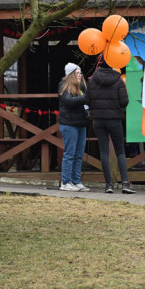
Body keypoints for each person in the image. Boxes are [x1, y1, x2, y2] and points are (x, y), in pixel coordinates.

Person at [86, 61, 134, 194]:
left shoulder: (92, 81)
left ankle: (108, 185)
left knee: (104, 151)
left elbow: (87, 100)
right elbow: (125, 101)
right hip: (114, 119)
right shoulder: (118, 80)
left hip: (98, 120)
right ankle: (125, 183)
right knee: (120, 151)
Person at [58, 63, 90, 192]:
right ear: (71, 75)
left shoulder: (82, 87)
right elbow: (69, 101)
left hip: (81, 123)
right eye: (77, 73)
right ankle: (66, 182)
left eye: (80, 73)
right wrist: (86, 98)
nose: (80, 75)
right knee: (70, 154)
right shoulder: (64, 86)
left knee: (79, 154)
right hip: (69, 123)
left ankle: (76, 181)